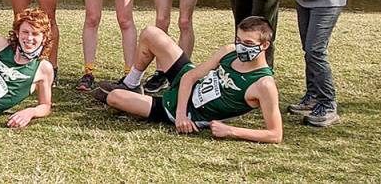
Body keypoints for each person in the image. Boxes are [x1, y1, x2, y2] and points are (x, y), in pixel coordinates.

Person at [93, 17, 283, 144]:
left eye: (248, 44)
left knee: (114, 97)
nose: (241, 47)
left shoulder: (263, 85)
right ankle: (132, 84)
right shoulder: (229, 51)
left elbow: (275, 134)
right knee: (151, 33)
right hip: (184, 97)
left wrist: (230, 130)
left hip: (184, 112)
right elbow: (190, 76)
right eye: (238, 40)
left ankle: (130, 95)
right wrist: (181, 113)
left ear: (264, 45)